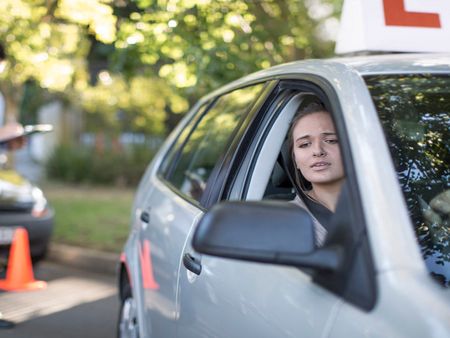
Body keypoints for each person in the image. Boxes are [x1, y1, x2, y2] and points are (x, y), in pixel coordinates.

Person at [288, 102, 345, 246]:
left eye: (331, 140)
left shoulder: (389, 205)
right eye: (305, 144)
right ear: (295, 160)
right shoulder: (285, 219)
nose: (318, 151)